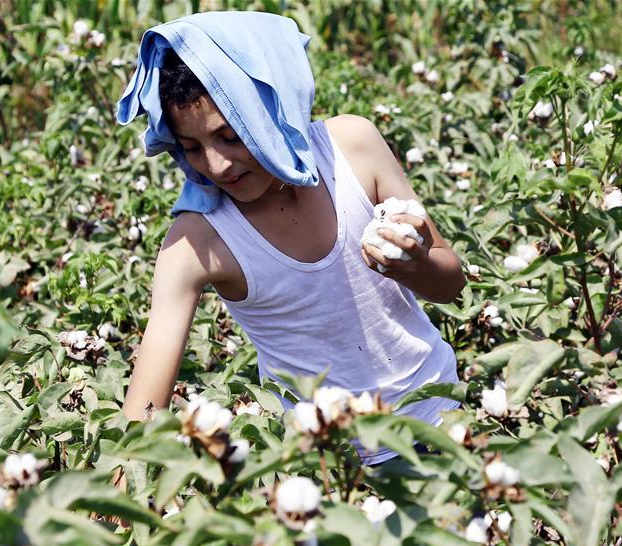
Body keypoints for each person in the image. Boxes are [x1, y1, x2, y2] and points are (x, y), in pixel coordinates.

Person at [117, 11, 466, 465]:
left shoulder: (352, 148)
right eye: (193, 147)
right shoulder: (196, 242)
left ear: (269, 108)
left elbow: (452, 283)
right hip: (329, 466)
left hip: (441, 418)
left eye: (229, 134)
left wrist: (415, 263)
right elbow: (143, 412)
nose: (218, 165)